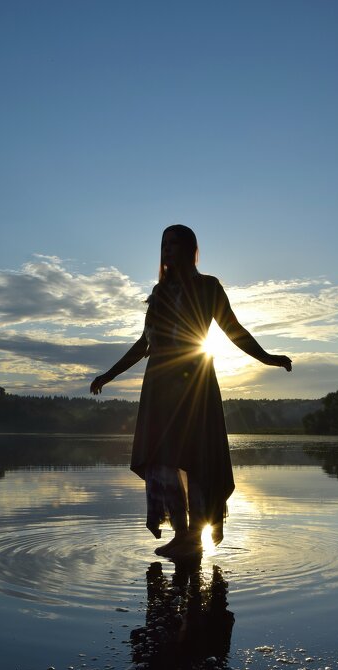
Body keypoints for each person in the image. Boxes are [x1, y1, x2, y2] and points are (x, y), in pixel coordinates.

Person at [90, 225, 292, 557]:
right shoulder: (159, 294)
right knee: (161, 459)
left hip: (195, 384)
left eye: (174, 243)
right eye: (163, 244)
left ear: (190, 249)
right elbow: (143, 345)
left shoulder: (208, 287)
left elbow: (234, 331)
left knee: (198, 456)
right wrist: (108, 375)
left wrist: (268, 358)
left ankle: (196, 534)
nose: (167, 249)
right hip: (159, 387)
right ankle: (182, 534)